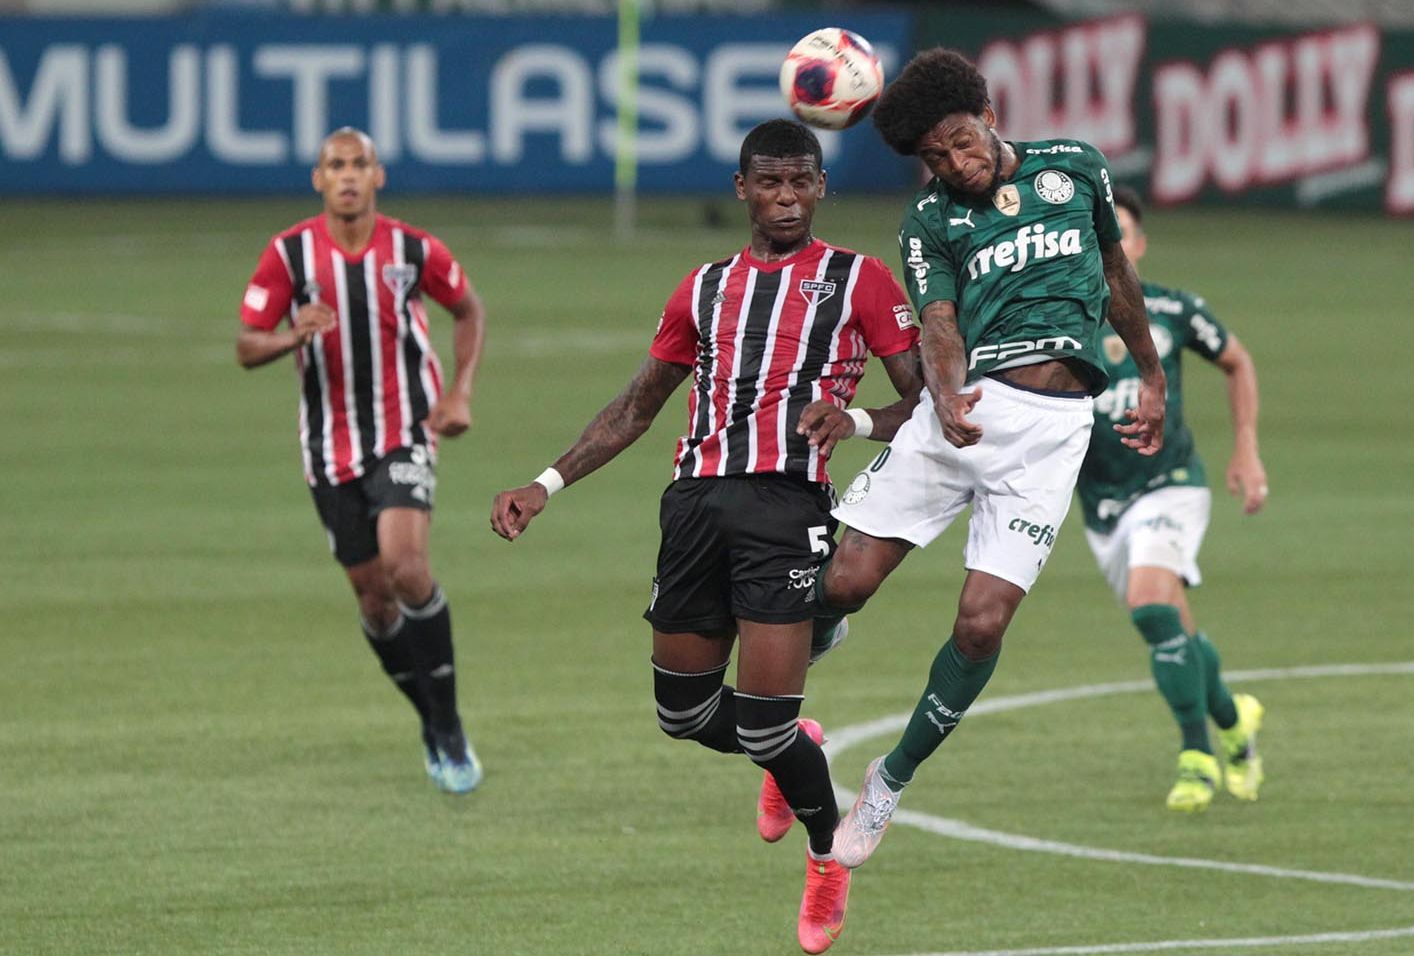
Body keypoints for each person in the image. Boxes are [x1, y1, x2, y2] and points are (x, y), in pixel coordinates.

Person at [488, 119, 923, 955]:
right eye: (770, 183)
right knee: (681, 714)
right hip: (692, 506)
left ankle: (828, 852)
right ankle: (801, 746)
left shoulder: (860, 281)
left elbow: (929, 407)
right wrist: (544, 484)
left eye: (801, 182)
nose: (787, 198)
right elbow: (637, 406)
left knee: (761, 727)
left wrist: (858, 417)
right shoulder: (703, 287)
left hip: (785, 512)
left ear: (821, 187)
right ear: (742, 189)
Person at [815, 48, 1169, 868]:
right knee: (842, 584)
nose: (953, 163)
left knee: (980, 625)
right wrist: (941, 392)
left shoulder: (1075, 169)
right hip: (964, 413)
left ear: (991, 115)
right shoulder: (930, 221)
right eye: (934, 157)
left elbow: (1115, 272)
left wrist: (1149, 372)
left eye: (959, 141)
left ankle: (888, 782)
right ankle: (818, 643)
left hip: (1051, 436)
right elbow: (938, 321)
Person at [236, 127, 487, 794]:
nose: (347, 176)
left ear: (378, 176)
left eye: (359, 165)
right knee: (375, 601)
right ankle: (432, 720)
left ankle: (451, 726)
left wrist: (459, 391)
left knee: (406, 568)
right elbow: (245, 343)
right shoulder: (289, 254)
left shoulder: (412, 247)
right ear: (318, 180)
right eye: (334, 166)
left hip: (405, 429)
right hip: (328, 446)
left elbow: (467, 309)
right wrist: (294, 332)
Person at [1079, 187, 1268, 812]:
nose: (1117, 246)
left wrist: (1246, 449)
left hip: (1171, 484)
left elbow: (1237, 361)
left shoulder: (1171, 308)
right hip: (1102, 505)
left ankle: (1196, 756)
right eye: (1105, 234)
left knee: (1150, 602)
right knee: (1174, 627)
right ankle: (1234, 720)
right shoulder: (1060, 315)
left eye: (1125, 234)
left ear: (1140, 243)